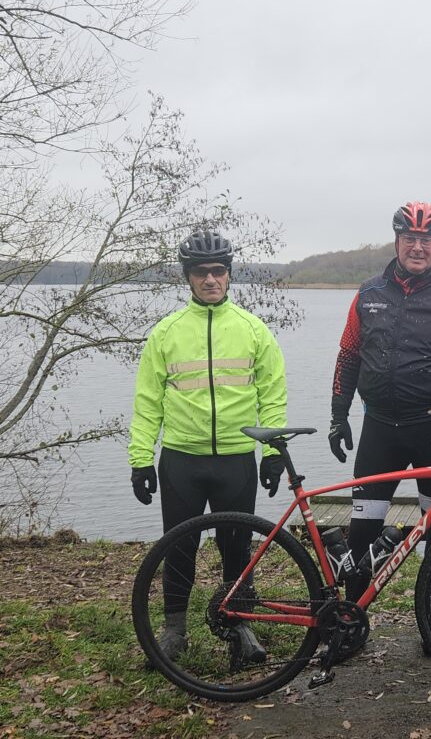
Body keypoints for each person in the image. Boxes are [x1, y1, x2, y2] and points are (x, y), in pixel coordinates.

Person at [329, 201, 431, 648]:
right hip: (378, 428)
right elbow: (349, 355)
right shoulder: (367, 294)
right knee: (362, 527)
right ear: (397, 241)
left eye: (426, 240)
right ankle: (352, 623)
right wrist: (338, 415)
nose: (418, 247)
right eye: (410, 239)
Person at [128, 228, 288, 662]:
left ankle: (240, 629)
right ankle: (174, 631)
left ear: (230, 275)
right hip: (181, 458)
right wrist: (141, 460)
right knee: (177, 547)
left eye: (218, 271)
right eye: (201, 273)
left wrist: (273, 453)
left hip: (237, 459)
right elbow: (147, 403)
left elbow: (272, 395)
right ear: (188, 277)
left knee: (236, 546)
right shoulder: (166, 333)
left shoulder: (253, 330)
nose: (210, 280)